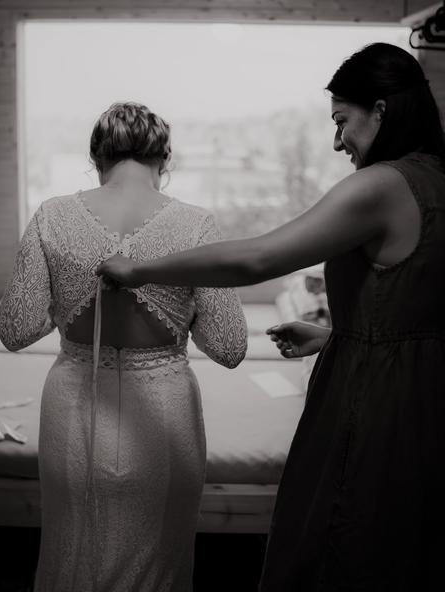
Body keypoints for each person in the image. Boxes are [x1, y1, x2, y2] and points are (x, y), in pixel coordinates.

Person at [97, 44, 445, 591]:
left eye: (342, 121)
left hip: (377, 405)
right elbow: (419, 315)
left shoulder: (381, 186)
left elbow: (257, 258)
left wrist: (140, 269)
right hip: (427, 400)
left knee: (345, 540)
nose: (338, 142)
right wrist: (335, 336)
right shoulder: (437, 179)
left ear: (380, 111)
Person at [0, 102, 247, 592]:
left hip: (74, 408)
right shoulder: (195, 224)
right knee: (159, 561)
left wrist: (67, 298)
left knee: (72, 552)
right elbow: (230, 345)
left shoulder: (52, 216)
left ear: (96, 157)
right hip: (164, 412)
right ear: (165, 158)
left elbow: (15, 328)